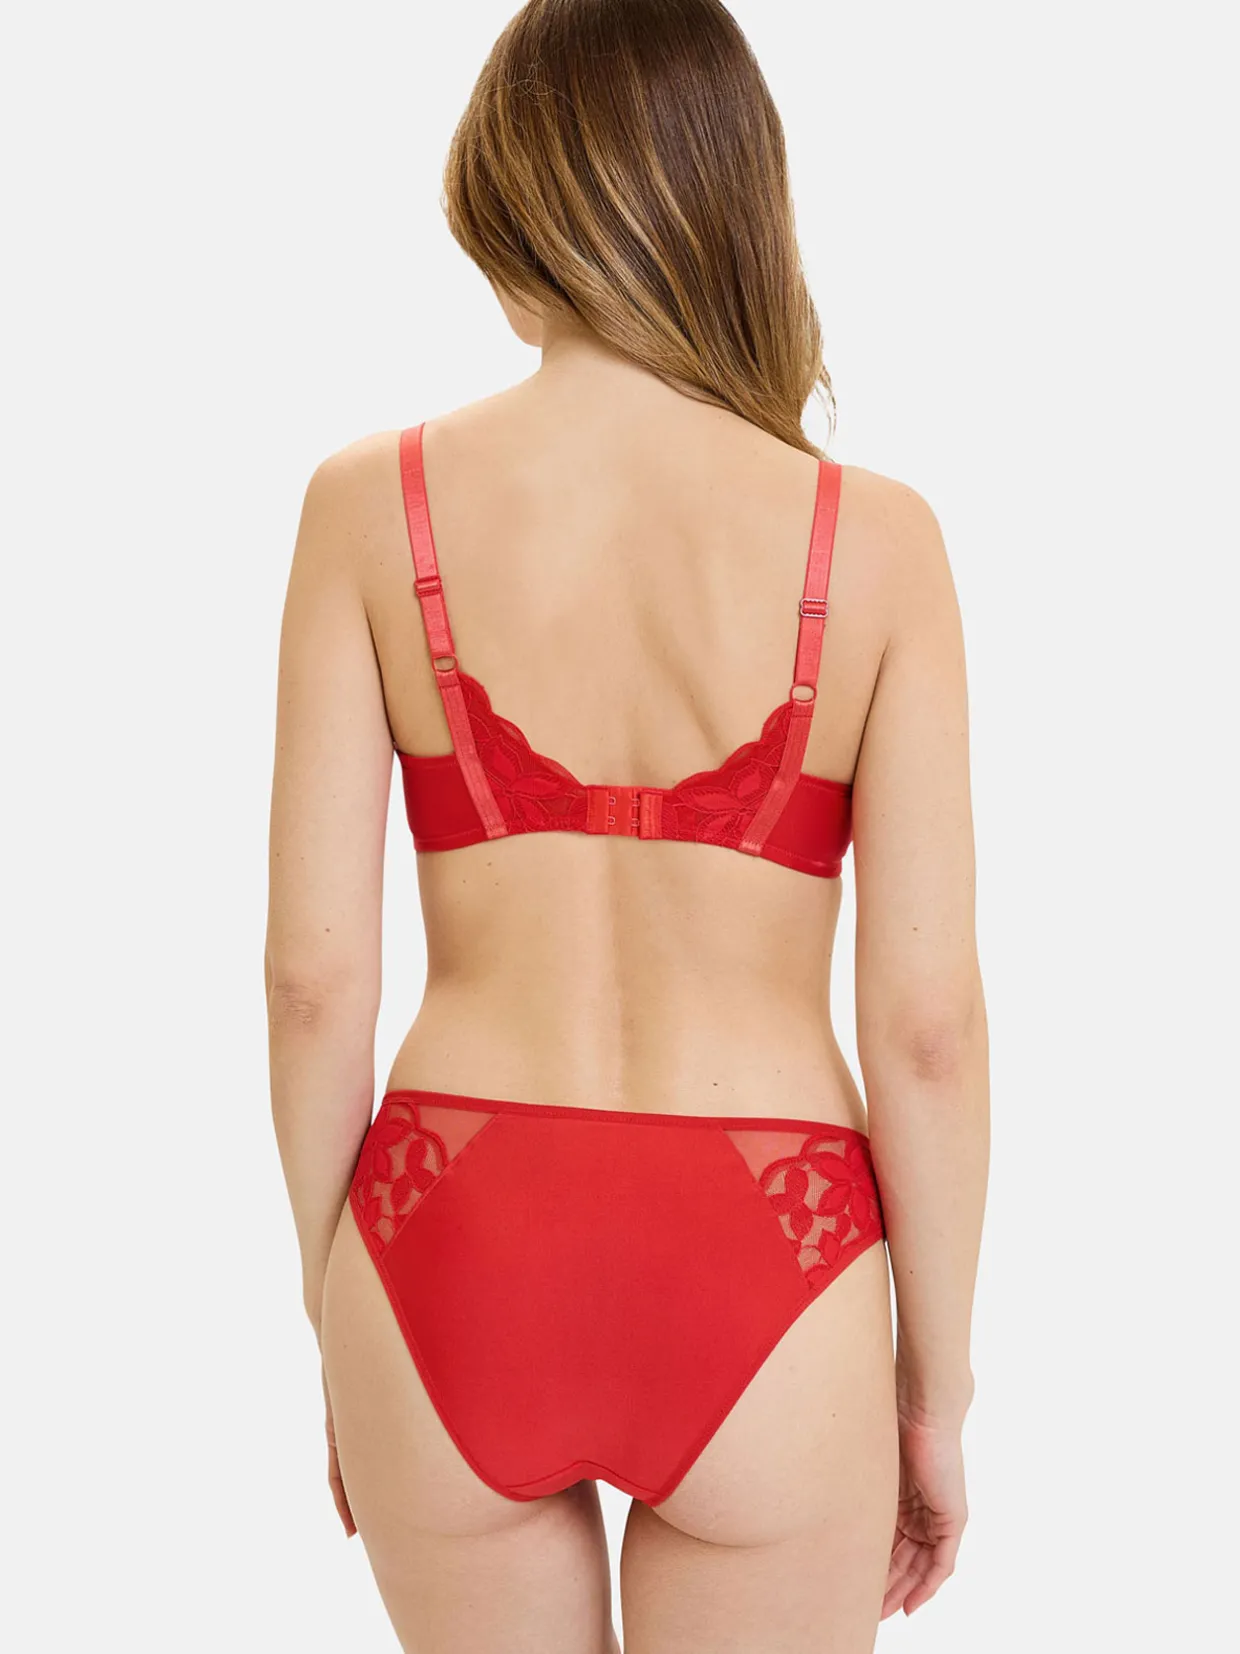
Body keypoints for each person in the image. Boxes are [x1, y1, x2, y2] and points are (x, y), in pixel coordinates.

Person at [265, 2, 989, 1649]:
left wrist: (342, 1316)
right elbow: (928, 1029)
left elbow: (312, 984)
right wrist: (935, 1391)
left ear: (520, 201)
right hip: (769, 1253)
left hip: (451, 1237)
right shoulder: (877, 544)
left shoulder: (365, 507)